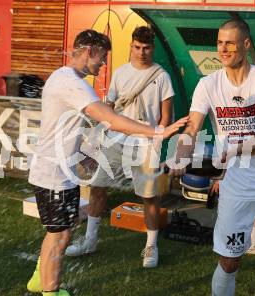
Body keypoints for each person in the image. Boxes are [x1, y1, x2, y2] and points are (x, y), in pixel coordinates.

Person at [26, 29, 187, 296]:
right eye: (101, 57)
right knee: (60, 235)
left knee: (59, 230)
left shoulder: (65, 78)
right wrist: (157, 132)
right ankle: (50, 292)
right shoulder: (72, 82)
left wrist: (83, 154)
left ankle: (38, 280)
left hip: (58, 171)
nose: (102, 64)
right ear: (89, 51)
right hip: (54, 174)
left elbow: (69, 126)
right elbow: (110, 119)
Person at [169, 19, 255, 296]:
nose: (223, 49)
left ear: (246, 45)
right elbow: (192, 128)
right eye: (219, 43)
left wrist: (236, 150)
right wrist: (179, 157)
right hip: (235, 186)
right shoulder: (207, 85)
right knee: (229, 260)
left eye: (230, 43)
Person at [65, 26, 174, 268]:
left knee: (149, 196)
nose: (142, 52)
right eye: (137, 47)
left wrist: (157, 141)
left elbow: (166, 116)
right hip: (115, 139)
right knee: (97, 186)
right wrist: (97, 140)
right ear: (131, 47)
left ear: (153, 48)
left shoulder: (162, 76)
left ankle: (151, 246)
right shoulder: (120, 73)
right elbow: (109, 109)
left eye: (146, 48)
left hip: (146, 141)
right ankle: (90, 240)